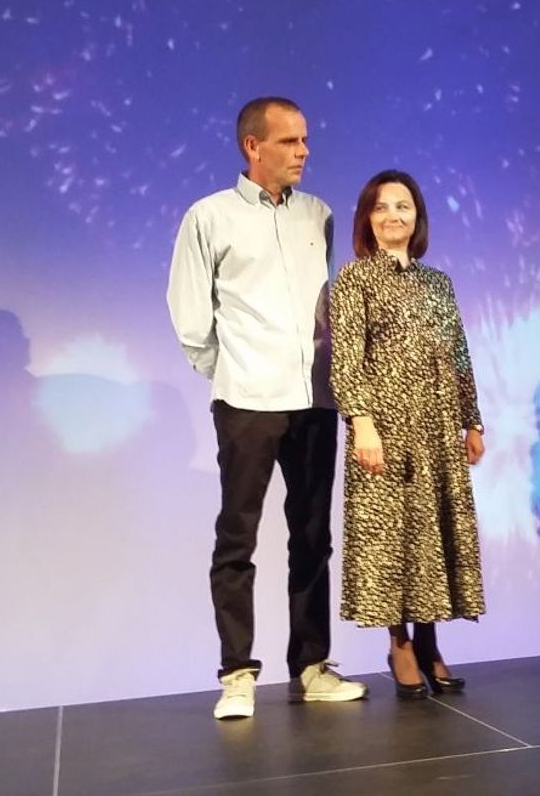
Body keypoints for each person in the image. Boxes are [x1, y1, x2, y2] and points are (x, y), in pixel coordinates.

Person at [167, 96, 366, 720]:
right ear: (253, 146)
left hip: (314, 398)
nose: (304, 151)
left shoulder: (318, 214)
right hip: (248, 400)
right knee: (238, 537)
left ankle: (311, 665)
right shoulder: (210, 216)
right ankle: (236, 673)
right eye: (289, 141)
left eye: (305, 140)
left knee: (313, 536)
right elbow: (190, 315)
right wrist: (229, 371)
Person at [330, 170, 487, 699]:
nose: (393, 215)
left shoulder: (438, 282)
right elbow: (346, 360)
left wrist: (472, 420)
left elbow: (459, 355)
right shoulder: (354, 279)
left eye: (403, 206)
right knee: (392, 539)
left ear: (417, 217)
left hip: (437, 427)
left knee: (432, 535)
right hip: (385, 430)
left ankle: (429, 640)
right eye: (381, 207)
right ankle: (398, 643)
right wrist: (362, 422)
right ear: (367, 219)